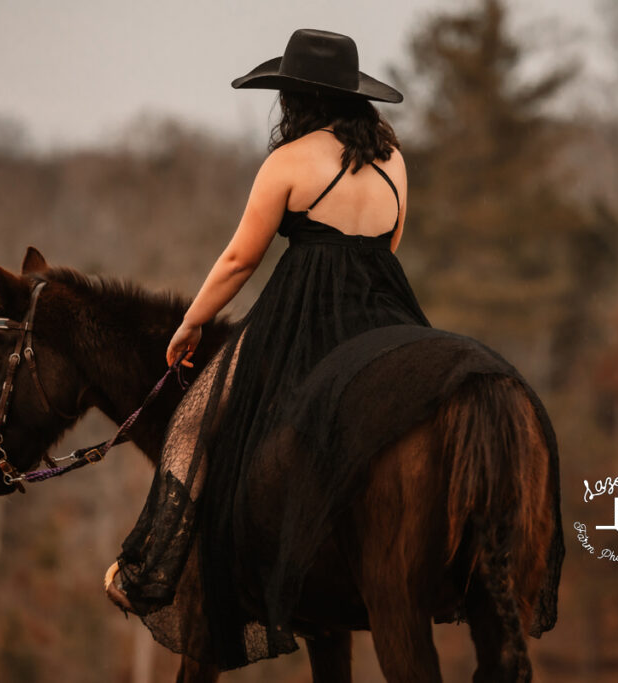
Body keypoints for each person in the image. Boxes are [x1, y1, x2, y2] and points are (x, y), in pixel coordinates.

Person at [107, 28, 434, 669]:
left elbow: (239, 260)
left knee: (202, 415)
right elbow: (390, 242)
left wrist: (192, 324)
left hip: (305, 312)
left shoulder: (287, 162)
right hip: (385, 309)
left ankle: (160, 562)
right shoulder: (393, 153)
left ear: (297, 97)